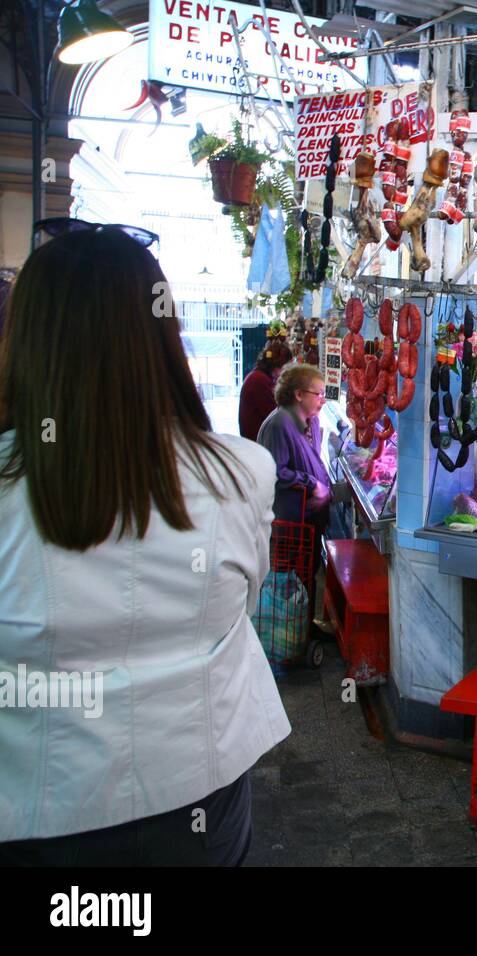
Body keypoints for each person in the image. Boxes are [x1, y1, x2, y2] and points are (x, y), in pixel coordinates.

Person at [0, 229, 289, 865]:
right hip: (197, 797)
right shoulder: (242, 473)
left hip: (38, 808)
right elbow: (245, 600)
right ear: (162, 338)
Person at [256, 363, 332, 532]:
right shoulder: (278, 424)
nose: (323, 400)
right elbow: (276, 472)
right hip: (289, 526)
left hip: (309, 522)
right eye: (319, 394)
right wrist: (313, 484)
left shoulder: (312, 421)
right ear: (299, 394)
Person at [239, 335, 293, 441]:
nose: (286, 373)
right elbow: (275, 415)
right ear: (277, 365)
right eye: (285, 368)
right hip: (257, 443)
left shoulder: (260, 376)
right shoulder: (259, 381)